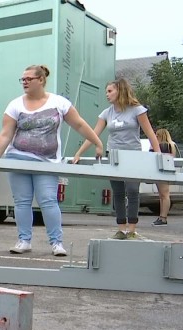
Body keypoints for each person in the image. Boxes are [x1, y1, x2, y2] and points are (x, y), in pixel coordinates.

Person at [0, 65, 103, 257]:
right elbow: (5, 134)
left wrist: (97, 142)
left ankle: (56, 243)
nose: (24, 82)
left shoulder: (59, 103)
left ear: (41, 80)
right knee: (22, 201)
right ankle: (24, 240)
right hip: (18, 158)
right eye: (22, 79)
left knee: (48, 200)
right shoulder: (15, 105)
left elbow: (79, 124)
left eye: (28, 79)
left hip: (47, 162)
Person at [73, 78, 161, 239]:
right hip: (114, 156)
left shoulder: (137, 110)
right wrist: (78, 153)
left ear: (119, 91)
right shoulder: (107, 113)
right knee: (118, 193)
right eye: (106, 91)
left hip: (133, 156)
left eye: (110, 91)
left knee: (133, 191)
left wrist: (158, 155)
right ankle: (121, 229)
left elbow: (150, 133)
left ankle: (132, 230)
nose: (107, 94)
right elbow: (93, 134)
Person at [150, 128, 177, 226]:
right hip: (167, 171)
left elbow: (152, 155)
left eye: (157, 135)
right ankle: (162, 216)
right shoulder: (171, 145)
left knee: (164, 195)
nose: (155, 137)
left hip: (161, 172)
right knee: (163, 195)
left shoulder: (162, 145)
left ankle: (163, 217)